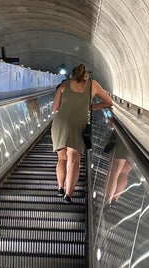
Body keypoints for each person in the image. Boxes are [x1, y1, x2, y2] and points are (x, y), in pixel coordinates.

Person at [51, 64, 113, 203]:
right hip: (78, 125)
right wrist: (90, 107)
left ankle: (60, 187)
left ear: (73, 75)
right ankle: (68, 195)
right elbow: (108, 102)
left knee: (62, 158)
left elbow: (55, 108)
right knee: (73, 161)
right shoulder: (93, 85)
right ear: (87, 75)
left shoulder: (64, 85)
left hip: (60, 123)